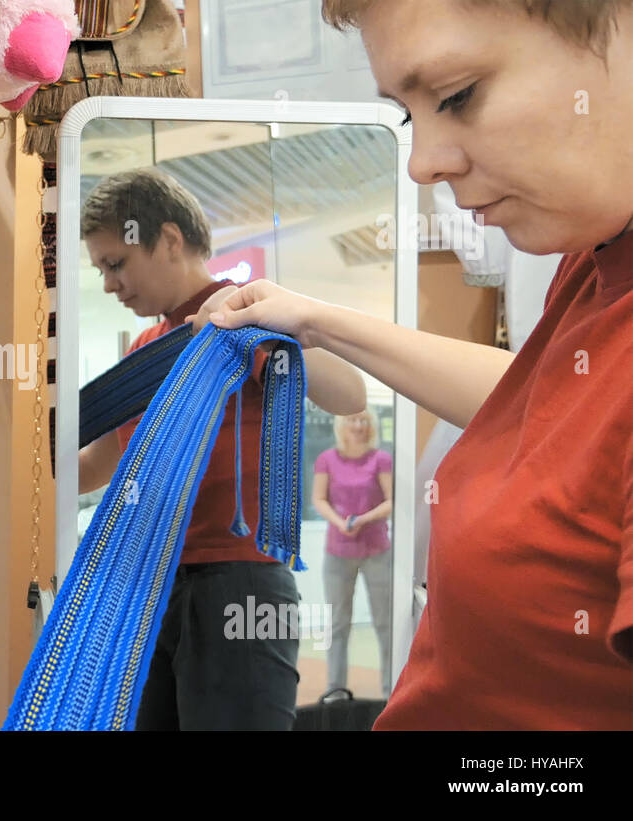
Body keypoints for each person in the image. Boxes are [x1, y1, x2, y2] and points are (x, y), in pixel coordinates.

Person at [194, 0, 633, 729]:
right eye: (409, 114)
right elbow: (563, 408)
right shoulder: (597, 254)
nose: (424, 162)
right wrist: (317, 320)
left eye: (457, 95)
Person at [78, 168, 367, 730]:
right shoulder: (147, 349)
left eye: (116, 263)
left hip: (241, 583)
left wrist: (270, 323)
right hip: (155, 584)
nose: (110, 284)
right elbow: (103, 464)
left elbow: (350, 394)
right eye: (101, 270)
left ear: (167, 239)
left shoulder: (241, 318)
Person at [312, 409, 393, 698]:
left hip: (377, 551)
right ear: (342, 425)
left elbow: (391, 501)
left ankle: (390, 691)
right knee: (337, 624)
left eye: (363, 421)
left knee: (386, 623)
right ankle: (335, 689)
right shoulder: (327, 460)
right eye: (352, 421)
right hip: (337, 552)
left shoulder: (381, 460)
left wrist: (364, 519)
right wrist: (339, 522)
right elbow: (319, 499)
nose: (358, 426)